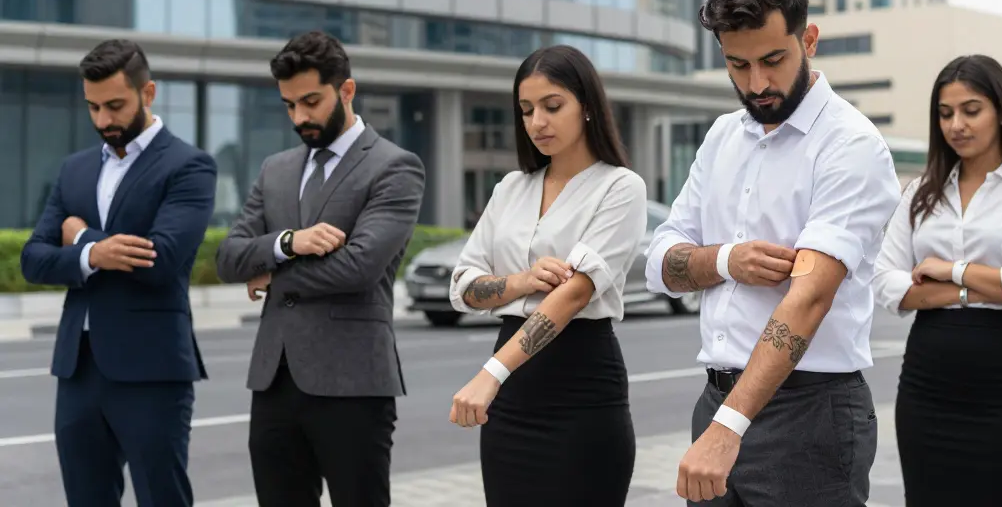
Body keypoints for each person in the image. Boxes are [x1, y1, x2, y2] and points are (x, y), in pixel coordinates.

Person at [643, 0, 901, 506]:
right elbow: (660, 263)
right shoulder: (720, 138)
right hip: (717, 400)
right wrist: (725, 260)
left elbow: (807, 299)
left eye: (773, 60)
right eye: (738, 65)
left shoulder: (850, 146)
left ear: (809, 38)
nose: (756, 83)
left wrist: (727, 429)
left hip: (809, 417)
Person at [214, 31, 426, 507]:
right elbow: (229, 257)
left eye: (310, 101)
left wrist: (272, 271)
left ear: (345, 91)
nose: (300, 117)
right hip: (273, 381)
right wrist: (288, 243)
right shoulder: (276, 169)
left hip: (353, 383)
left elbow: (359, 268)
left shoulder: (395, 167)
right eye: (289, 105)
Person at [20, 39, 217, 507]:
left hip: (152, 371)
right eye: (93, 107)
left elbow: (160, 259)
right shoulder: (74, 170)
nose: (103, 120)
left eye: (115, 105)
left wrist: (84, 239)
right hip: (78, 369)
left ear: (148, 94)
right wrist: (98, 255)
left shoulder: (189, 166)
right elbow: (33, 259)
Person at [870, 54, 1002, 506]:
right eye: (945, 113)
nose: (956, 124)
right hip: (928, 389)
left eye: (970, 110)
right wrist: (974, 289)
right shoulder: (921, 191)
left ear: (1001, 110)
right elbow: (886, 285)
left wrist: (950, 270)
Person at [447, 44, 646, 507]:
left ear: (588, 107)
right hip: (512, 402)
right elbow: (462, 285)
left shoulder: (620, 187)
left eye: (553, 106)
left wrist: (490, 374)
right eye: (526, 110)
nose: (538, 122)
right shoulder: (511, 188)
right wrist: (520, 282)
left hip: (581, 389)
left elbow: (575, 294)